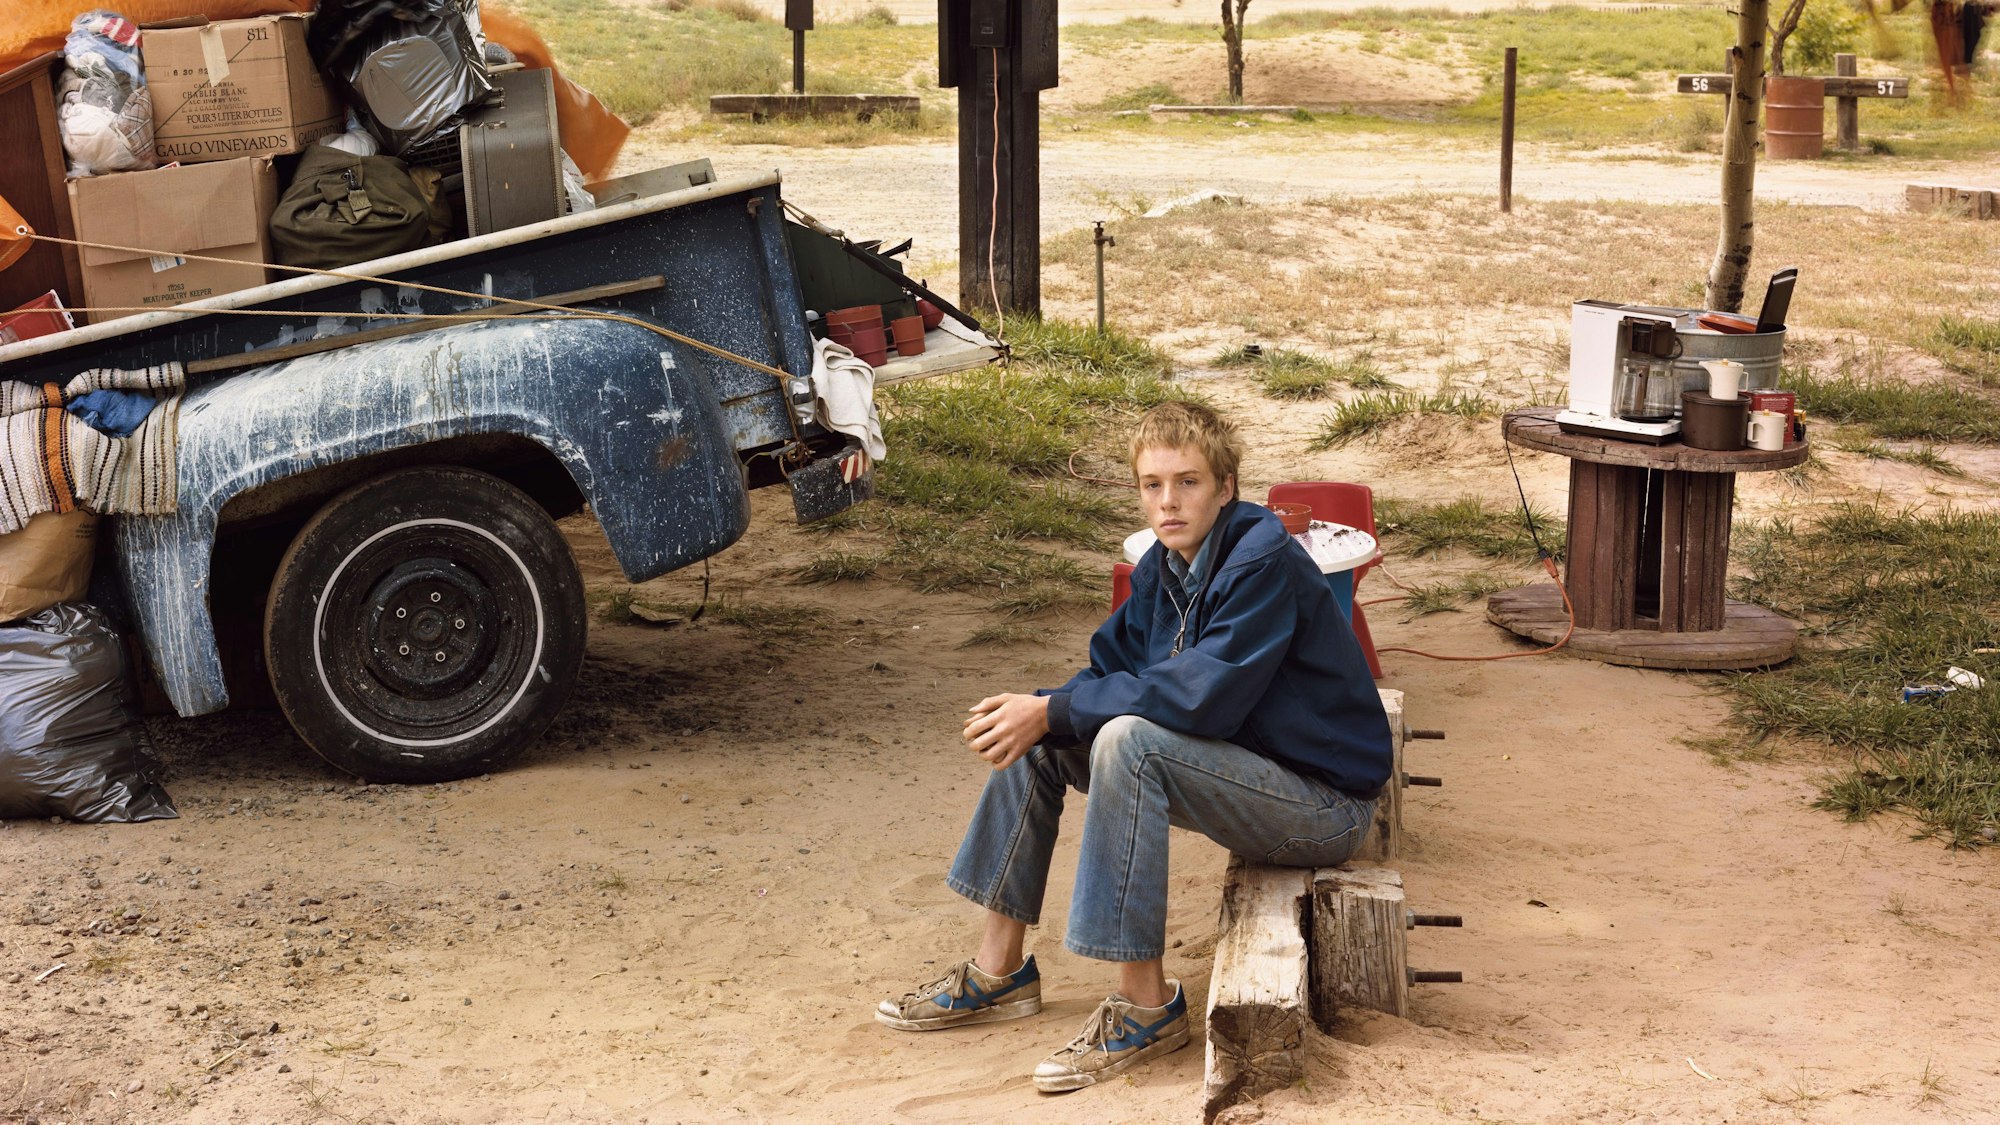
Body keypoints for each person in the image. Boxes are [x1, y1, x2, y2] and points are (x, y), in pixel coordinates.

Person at [875, 400, 1393, 1093]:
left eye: (1188, 482)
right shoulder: (1165, 563)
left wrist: (1059, 707)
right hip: (1251, 770)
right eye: (1153, 484)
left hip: (1324, 804)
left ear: (1226, 487)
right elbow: (1107, 666)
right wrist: (1042, 712)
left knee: (1126, 739)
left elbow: (1202, 696)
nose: (1168, 501)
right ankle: (1000, 970)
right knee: (1045, 732)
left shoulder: (1262, 558)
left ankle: (1147, 1007)